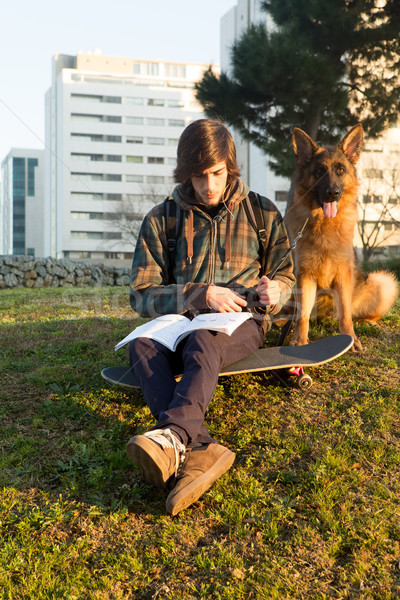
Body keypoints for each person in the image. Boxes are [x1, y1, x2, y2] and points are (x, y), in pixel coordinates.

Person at [127, 119, 295, 515]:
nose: (208, 185)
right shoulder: (160, 219)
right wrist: (198, 294)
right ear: (185, 174)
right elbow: (140, 295)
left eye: (216, 173)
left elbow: (286, 273)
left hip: (239, 322)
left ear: (230, 167)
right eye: (198, 176)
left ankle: (172, 439)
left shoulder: (261, 212)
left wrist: (278, 291)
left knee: (204, 341)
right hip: (180, 322)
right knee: (140, 344)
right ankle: (200, 448)